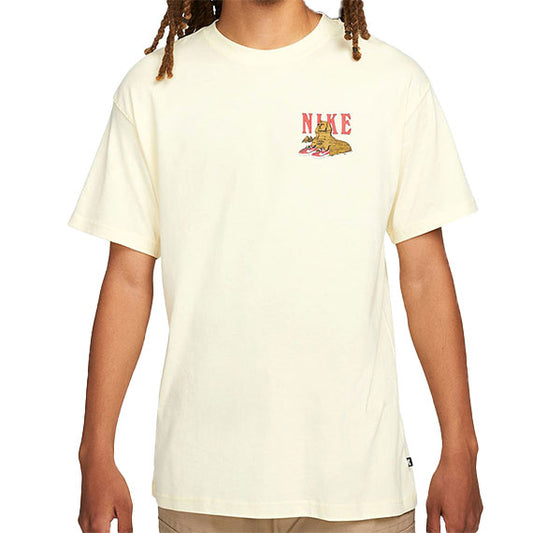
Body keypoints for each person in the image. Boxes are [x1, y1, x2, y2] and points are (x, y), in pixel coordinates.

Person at [68, 1, 483, 532]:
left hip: (359, 485)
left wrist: (461, 448)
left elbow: (424, 272)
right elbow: (128, 278)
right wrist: (95, 452)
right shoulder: (153, 88)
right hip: (204, 485)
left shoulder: (390, 80)